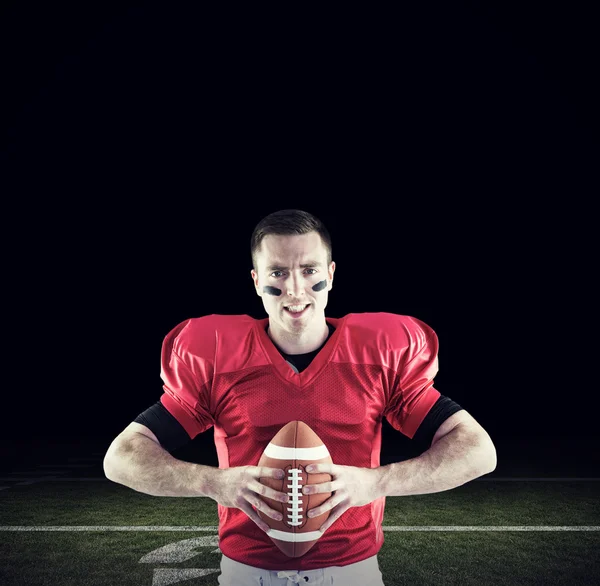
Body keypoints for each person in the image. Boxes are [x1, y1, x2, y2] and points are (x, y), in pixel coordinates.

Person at [103, 209, 497, 585]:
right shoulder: (219, 358)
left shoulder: (377, 356)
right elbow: (121, 458)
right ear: (257, 281)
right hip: (245, 573)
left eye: (309, 271)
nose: (294, 290)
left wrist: (375, 482)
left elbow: (478, 450)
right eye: (278, 272)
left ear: (330, 274)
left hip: (352, 573)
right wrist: (213, 482)